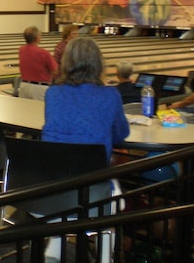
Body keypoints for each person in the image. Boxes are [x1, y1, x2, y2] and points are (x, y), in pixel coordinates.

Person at [42, 37, 130, 263]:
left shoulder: (53, 93)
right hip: (92, 200)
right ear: (98, 64)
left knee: (68, 172)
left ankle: (55, 248)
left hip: (51, 196)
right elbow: (122, 134)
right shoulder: (111, 95)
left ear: (66, 63)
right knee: (113, 190)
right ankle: (104, 257)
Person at [18, 26, 58, 101]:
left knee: (24, 111)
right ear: (37, 38)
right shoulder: (43, 53)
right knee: (39, 112)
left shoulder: (21, 50)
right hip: (39, 89)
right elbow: (55, 71)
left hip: (24, 86)